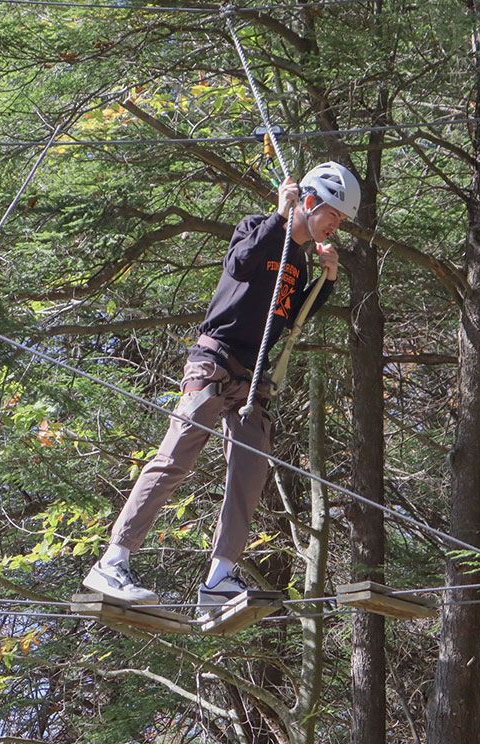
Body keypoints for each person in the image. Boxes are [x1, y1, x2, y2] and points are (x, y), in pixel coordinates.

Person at [82, 161, 362, 608]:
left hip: (252, 378)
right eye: (334, 214)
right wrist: (277, 217)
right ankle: (112, 562)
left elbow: (290, 322)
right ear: (309, 202)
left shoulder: (303, 264)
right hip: (214, 363)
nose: (336, 224)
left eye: (342, 220)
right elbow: (241, 264)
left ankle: (219, 578)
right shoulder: (258, 228)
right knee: (176, 456)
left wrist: (325, 283)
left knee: (250, 473)